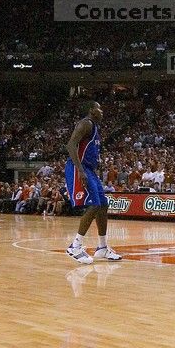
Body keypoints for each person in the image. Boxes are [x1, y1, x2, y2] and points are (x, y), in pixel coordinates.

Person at [65, 101, 122, 264]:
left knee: (103, 204)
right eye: (99, 108)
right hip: (79, 168)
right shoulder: (85, 124)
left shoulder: (95, 128)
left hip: (89, 169)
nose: (102, 111)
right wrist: (81, 171)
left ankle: (102, 248)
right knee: (94, 204)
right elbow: (70, 145)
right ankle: (75, 246)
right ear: (91, 110)